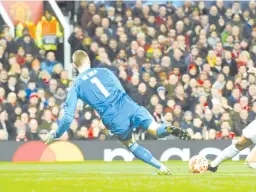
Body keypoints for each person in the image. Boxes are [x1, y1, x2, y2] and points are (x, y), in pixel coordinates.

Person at [44, 50, 190, 175]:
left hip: (112, 117)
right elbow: (120, 89)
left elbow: (68, 117)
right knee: (156, 129)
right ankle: (168, 128)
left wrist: (55, 135)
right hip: (128, 104)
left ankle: (161, 167)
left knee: (130, 144)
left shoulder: (76, 86)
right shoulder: (105, 71)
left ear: (75, 65)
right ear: (88, 60)